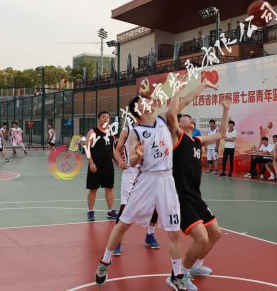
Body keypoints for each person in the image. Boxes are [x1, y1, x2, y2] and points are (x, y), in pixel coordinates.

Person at [94, 82, 216, 290]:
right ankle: (105, 261)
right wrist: (138, 155)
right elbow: (132, 161)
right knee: (123, 224)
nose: (149, 102)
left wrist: (201, 85)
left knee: (173, 232)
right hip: (147, 180)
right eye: (144, 101)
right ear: (137, 109)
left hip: (167, 180)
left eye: (149, 100)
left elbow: (185, 100)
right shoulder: (135, 131)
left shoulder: (163, 121)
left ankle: (177, 276)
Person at [169, 89, 230, 290]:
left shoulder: (197, 141)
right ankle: (178, 276)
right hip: (181, 198)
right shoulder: (177, 137)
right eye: (186, 117)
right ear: (179, 123)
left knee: (215, 234)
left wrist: (225, 110)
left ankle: (195, 266)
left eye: (191, 118)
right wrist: (178, 93)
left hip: (196, 197)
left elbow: (222, 133)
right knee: (201, 238)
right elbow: (171, 115)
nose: (190, 119)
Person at [110, 123, 160, 256]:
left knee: (155, 206)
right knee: (124, 207)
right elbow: (117, 150)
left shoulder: (153, 129)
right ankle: (117, 241)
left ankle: (150, 234)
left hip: (147, 173)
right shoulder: (127, 130)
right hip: (130, 172)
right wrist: (119, 160)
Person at [85, 111, 118, 222]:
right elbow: (87, 148)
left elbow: (112, 149)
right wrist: (91, 163)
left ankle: (111, 211)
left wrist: (117, 161)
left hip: (108, 165)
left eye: (108, 117)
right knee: (93, 189)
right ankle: (90, 211)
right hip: (96, 165)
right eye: (103, 117)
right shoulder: (92, 132)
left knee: (109, 188)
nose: (106, 118)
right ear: (98, 119)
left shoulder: (111, 132)